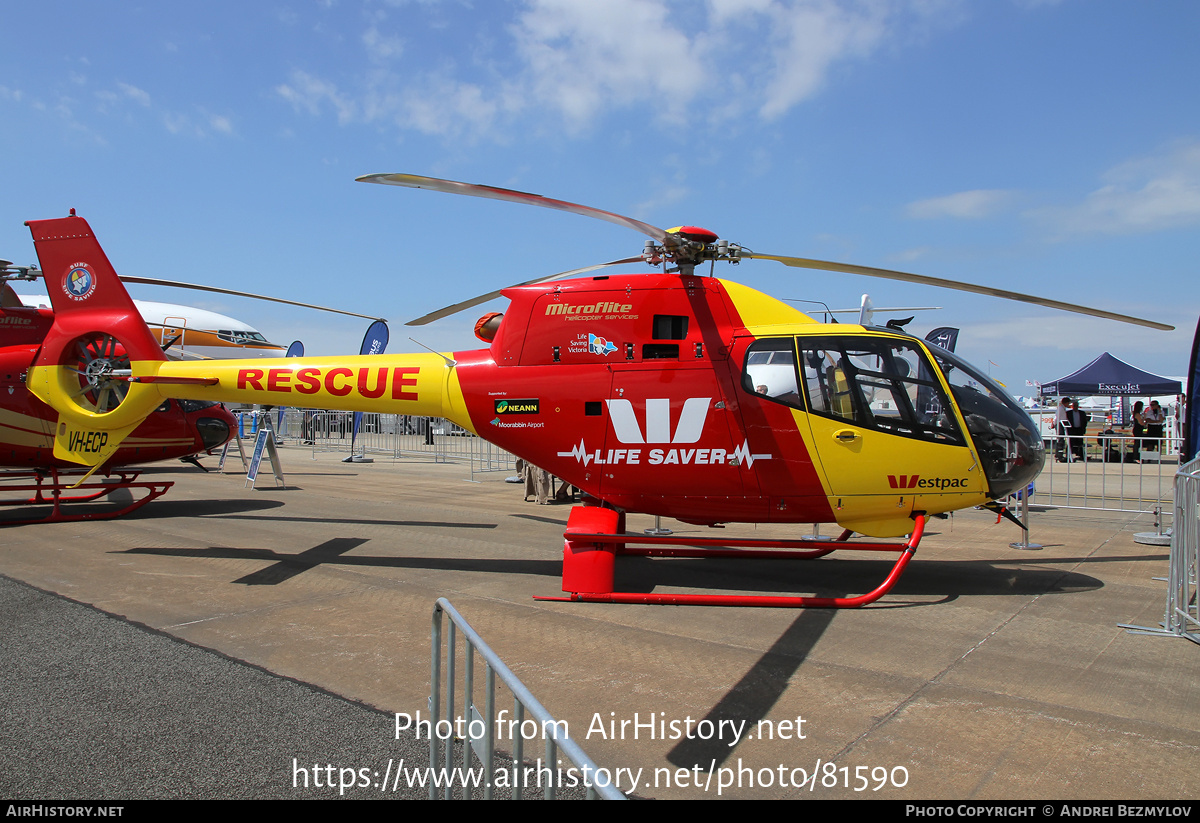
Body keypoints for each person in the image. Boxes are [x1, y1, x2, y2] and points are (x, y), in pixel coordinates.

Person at [1054, 397, 1071, 462]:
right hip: (1059, 424)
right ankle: (1059, 455)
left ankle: (1059, 454)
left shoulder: (1063, 408)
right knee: (1060, 440)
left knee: (1061, 440)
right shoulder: (1060, 409)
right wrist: (1055, 424)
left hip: (1062, 424)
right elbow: (1057, 417)